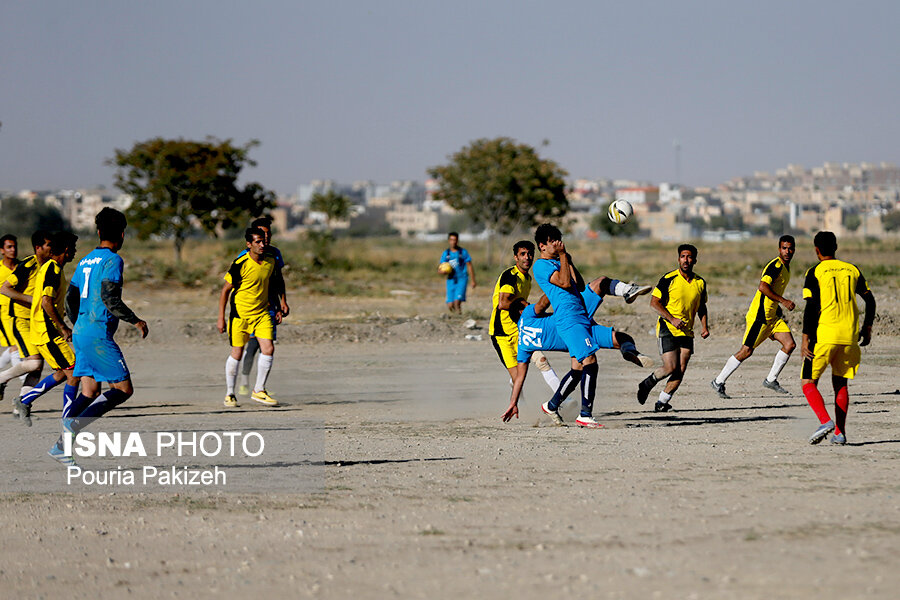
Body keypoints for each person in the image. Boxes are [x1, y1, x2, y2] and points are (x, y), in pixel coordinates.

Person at [48, 208, 149, 466]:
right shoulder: (113, 261)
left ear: (99, 231)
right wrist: (135, 319)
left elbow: (71, 297)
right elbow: (110, 297)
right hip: (96, 334)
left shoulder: (85, 260)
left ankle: (61, 447)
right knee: (123, 389)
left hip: (82, 331)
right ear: (122, 234)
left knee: (91, 390)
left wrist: (77, 322)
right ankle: (72, 427)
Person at [502, 275, 653, 423]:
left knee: (578, 369)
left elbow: (520, 377)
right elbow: (542, 303)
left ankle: (552, 406)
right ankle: (627, 292)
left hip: (573, 337)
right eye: (527, 304)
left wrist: (513, 402)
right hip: (572, 320)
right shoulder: (527, 315)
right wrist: (556, 284)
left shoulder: (523, 344)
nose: (530, 305)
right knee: (600, 283)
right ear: (521, 312)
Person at [801, 231, 875, 445]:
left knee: (808, 382)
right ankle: (840, 434)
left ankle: (825, 421)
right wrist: (867, 327)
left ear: (816, 250)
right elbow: (870, 301)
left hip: (824, 335)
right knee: (840, 384)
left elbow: (811, 306)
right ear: (836, 247)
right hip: (849, 336)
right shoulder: (852, 269)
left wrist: (806, 338)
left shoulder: (814, 271)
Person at [530, 224, 604, 428]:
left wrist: (568, 260)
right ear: (542, 245)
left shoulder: (560, 261)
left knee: (578, 367)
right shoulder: (541, 265)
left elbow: (578, 285)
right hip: (567, 318)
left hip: (579, 314)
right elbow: (563, 283)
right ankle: (585, 414)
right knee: (590, 359)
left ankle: (552, 405)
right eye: (552, 241)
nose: (557, 243)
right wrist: (562, 256)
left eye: (558, 239)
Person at [711, 235, 797, 398]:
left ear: (794, 249)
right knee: (746, 351)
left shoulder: (786, 267)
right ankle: (718, 381)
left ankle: (771, 379)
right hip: (760, 317)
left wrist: (778, 309)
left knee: (790, 344)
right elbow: (763, 287)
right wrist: (783, 301)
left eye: (790, 248)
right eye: (784, 248)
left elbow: (773, 290)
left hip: (773, 318)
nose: (787, 251)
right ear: (779, 249)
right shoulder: (776, 266)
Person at [13, 231, 79, 426]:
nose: (75, 253)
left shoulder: (50, 267)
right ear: (66, 250)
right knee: (74, 372)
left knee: (61, 372)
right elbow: (46, 302)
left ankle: (24, 401)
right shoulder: (53, 270)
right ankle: (68, 419)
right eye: (73, 249)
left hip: (45, 330)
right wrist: (63, 327)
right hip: (47, 332)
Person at [637, 244, 709, 412]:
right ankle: (646, 384)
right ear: (678, 259)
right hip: (667, 328)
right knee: (670, 367)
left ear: (695, 260)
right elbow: (654, 303)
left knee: (680, 369)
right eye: (683, 256)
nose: (686, 260)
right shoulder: (669, 278)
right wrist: (672, 319)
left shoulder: (700, 282)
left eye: (690, 257)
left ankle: (662, 402)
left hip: (687, 331)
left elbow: (702, 307)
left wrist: (704, 326)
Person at [218, 227, 283, 407]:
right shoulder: (241, 264)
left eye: (264, 241)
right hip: (240, 315)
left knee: (268, 349)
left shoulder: (270, 261)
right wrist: (220, 318)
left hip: (262, 314)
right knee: (237, 353)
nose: (262, 245)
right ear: (249, 244)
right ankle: (230, 393)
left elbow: (275, 284)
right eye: (258, 242)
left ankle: (259, 390)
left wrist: (278, 305)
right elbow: (225, 291)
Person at [489, 240, 561, 397]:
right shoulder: (510, 276)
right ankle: (525, 410)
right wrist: (525, 305)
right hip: (502, 334)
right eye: (522, 254)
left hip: (521, 329)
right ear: (516, 257)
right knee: (518, 381)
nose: (527, 257)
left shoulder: (527, 278)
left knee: (542, 361)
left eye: (530, 254)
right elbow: (502, 303)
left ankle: (564, 399)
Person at [0, 230, 53, 410]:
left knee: (36, 368)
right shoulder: (28, 264)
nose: (52, 248)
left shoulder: (49, 266)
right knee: (33, 361)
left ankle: (22, 404)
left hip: (37, 321)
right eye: (48, 245)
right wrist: (32, 300)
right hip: (18, 319)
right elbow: (5, 289)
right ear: (38, 247)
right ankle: (1, 379)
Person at [237, 216, 289, 396]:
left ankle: (259, 387)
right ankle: (244, 380)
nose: (266, 239)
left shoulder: (275, 254)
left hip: (270, 306)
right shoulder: (245, 257)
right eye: (262, 235)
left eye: (269, 234)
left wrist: (282, 301)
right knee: (251, 346)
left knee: (267, 346)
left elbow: (277, 280)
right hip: (251, 308)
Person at [0, 235, 22, 384]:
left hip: (22, 314)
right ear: (2, 250)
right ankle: (25, 387)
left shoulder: (22, 267)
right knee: (16, 347)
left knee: (17, 347)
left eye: (14, 246)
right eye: (9, 247)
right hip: (4, 315)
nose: (13, 250)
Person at [439, 232, 476, 312]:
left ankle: (459, 320)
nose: (453, 242)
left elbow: (469, 265)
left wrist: (473, 280)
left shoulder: (463, 252)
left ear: (457, 241)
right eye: (451, 240)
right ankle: (455, 317)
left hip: (462, 279)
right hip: (451, 280)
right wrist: (442, 272)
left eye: (455, 240)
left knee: (457, 302)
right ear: (449, 240)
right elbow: (441, 267)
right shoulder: (446, 253)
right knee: (450, 305)